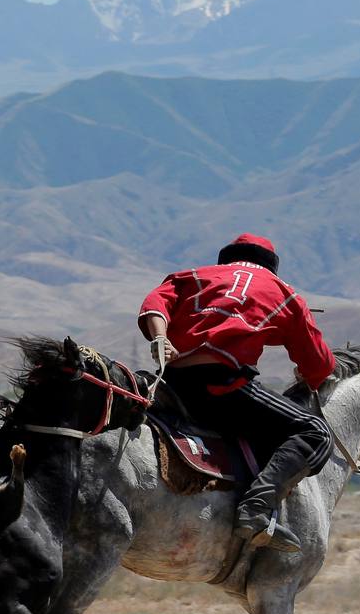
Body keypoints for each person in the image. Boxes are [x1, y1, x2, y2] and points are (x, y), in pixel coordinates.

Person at [139, 233, 335, 553]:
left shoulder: (192, 276)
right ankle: (255, 509)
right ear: (271, 266)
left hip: (172, 383)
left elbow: (155, 303)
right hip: (222, 389)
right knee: (315, 432)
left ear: (226, 260)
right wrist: (308, 374)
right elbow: (319, 366)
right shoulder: (284, 294)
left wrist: (160, 338)